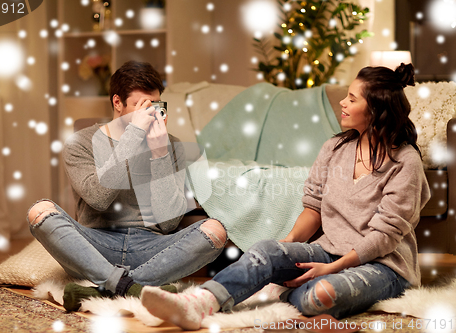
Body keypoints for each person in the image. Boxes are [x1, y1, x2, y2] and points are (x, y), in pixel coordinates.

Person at [140, 63, 431, 330]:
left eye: (352, 99)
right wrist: (288, 246)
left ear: (377, 109)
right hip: (329, 249)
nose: (342, 103)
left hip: (384, 264)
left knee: (322, 293)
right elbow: (313, 207)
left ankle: (284, 291)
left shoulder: (405, 162)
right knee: (267, 250)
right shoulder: (334, 148)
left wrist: (330, 268)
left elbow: (385, 237)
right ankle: (199, 304)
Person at [27, 60, 227, 311]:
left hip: (152, 248)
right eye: (140, 106)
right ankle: (134, 289)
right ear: (117, 103)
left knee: (216, 230)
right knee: (40, 211)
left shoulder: (170, 145)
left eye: (154, 105)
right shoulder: (80, 142)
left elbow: (168, 223)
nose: (150, 113)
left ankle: (108, 289)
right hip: (95, 246)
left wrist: (159, 153)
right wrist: (132, 136)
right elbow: (99, 198)